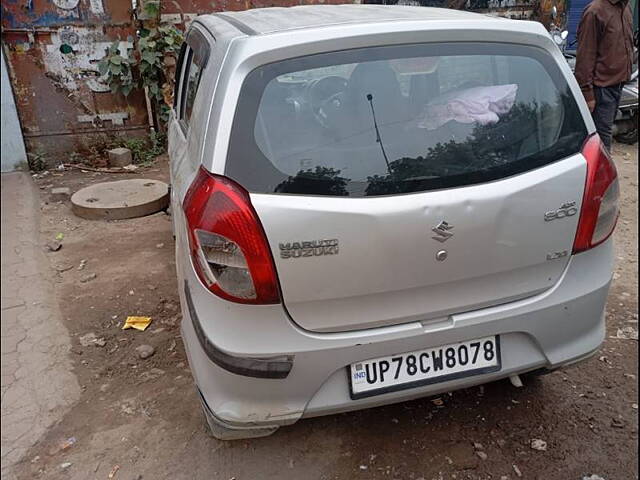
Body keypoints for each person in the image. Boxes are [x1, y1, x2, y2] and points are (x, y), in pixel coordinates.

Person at [574, 0, 634, 152]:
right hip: (601, 89)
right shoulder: (595, 11)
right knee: (600, 140)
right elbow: (585, 56)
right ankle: (602, 174)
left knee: (605, 135)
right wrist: (587, 94)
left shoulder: (625, 9)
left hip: (618, 85)